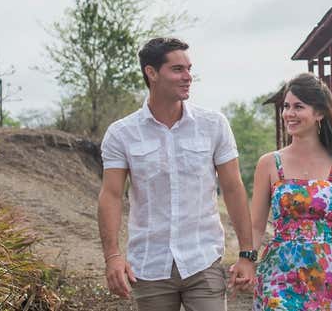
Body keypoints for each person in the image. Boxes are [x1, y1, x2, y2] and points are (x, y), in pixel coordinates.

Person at [97, 37, 256, 310]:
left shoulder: (213, 125)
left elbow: (233, 188)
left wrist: (247, 254)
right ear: (152, 73)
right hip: (149, 265)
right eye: (178, 69)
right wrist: (112, 256)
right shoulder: (122, 133)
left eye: (189, 68)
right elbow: (111, 195)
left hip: (202, 259)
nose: (188, 77)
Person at [249, 73, 332, 311]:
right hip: (280, 273)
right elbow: (256, 226)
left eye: (298, 107)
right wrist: (246, 260)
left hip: (331, 275)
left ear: (319, 113)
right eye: (286, 106)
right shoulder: (269, 164)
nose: (289, 113)